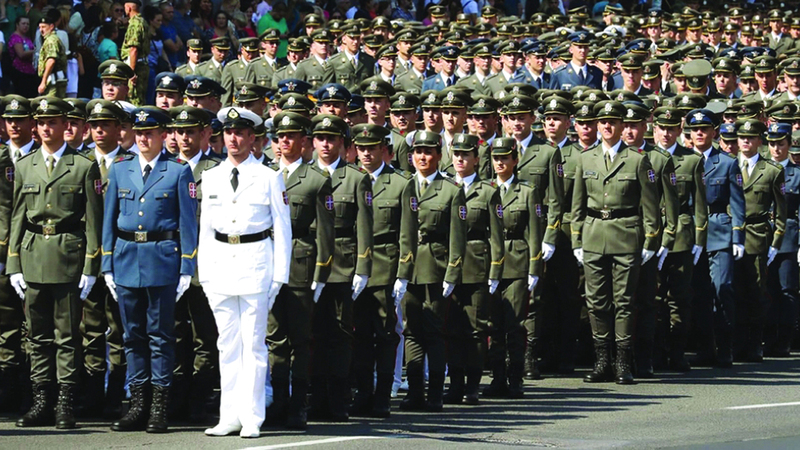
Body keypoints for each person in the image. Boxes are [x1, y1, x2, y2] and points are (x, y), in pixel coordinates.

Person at [8, 97, 103, 429]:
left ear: (67, 125)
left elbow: (93, 220)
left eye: (55, 122)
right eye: (43, 122)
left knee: (66, 334)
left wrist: (92, 266)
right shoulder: (24, 166)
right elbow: (18, 216)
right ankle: (42, 399)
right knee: (37, 335)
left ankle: (65, 402)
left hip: (68, 255)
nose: (48, 128)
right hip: (33, 254)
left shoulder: (83, 165)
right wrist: (14, 263)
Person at [103, 106, 198, 433]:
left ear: (163, 135)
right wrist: (106, 263)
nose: (143, 138)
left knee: (160, 335)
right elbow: (109, 220)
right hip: (127, 257)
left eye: (149, 133)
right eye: (139, 133)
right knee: (132, 335)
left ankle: (159, 405)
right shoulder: (120, 169)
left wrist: (187, 265)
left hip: (162, 259)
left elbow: (187, 222)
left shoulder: (178, 170)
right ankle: (138, 403)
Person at [199, 106, 291, 438]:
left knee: (253, 344)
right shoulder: (211, 176)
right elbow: (206, 231)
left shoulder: (268, 177)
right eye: (228, 132)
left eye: (240, 133)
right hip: (221, 265)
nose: (234, 139)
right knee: (227, 344)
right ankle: (230, 415)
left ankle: (252, 416)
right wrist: (205, 275)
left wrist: (279, 275)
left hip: (256, 264)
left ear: (253, 138)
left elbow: (282, 229)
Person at [571, 100, 660, 385]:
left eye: (613, 122)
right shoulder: (585, 159)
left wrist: (650, 240)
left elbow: (650, 205)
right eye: (602, 122)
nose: (607, 126)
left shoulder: (637, 159)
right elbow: (577, 204)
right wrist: (576, 239)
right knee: (597, 302)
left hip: (626, 235)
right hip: (594, 233)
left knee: (623, 301)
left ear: (622, 126)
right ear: (597, 126)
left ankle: (623, 361)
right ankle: (602, 361)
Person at [265, 111, 334, 430]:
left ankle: (298, 404)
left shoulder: (316, 179)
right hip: (268, 265)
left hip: (300, 267)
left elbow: (325, 232)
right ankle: (278, 400)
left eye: (291, 136)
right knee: (275, 338)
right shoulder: (265, 175)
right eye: (280, 136)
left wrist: (320, 274)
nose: (285, 142)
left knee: (300, 339)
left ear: (305, 141)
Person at [308, 114, 373, 422]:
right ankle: (315, 396)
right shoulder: (304, 175)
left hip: (342, 264)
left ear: (344, 144)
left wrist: (363, 267)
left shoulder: (356, 178)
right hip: (308, 265)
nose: (325, 144)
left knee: (340, 334)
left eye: (332, 139)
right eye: (320, 138)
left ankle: (338, 398)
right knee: (312, 334)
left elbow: (363, 225)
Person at [400, 130, 466, 412]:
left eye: (428, 152)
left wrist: (452, 273)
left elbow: (457, 237)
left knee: (434, 332)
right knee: (411, 331)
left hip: (437, 268)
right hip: (408, 267)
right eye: (418, 152)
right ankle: (415, 392)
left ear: (440, 156)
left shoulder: (450, 190)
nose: (422, 157)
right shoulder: (404, 186)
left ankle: (436, 393)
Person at [78, 99, 132, 420]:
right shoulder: (81, 161)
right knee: (91, 328)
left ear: (118, 128)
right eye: (95, 126)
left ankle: (115, 394)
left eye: (106, 125)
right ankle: (93, 393)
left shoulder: (129, 163)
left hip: (121, 258)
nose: (100, 131)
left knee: (120, 329)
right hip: (87, 259)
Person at [166, 105, 220, 422]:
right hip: (170, 263)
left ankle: (200, 397)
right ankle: (175, 396)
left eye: (191, 132)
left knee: (204, 335)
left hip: (205, 265)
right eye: (180, 132)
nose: (184, 138)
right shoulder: (166, 168)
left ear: (204, 134)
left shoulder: (216, 171)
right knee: (173, 332)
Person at [445, 133, 504, 405]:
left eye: (465, 154)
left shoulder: (488, 191)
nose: (460, 159)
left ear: (476, 159)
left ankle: (472, 384)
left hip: (476, 265)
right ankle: (454, 383)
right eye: (456, 154)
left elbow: (496, 236)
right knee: (451, 328)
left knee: (476, 329)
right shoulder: (442, 188)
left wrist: (494, 271)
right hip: (446, 267)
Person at [483, 137, 542, 399]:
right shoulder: (485, 189)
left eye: (505, 158)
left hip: (517, 261)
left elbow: (534, 233)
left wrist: (534, 267)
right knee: (494, 324)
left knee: (515, 325)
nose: (500, 163)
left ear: (515, 160)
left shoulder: (527, 191)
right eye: (496, 158)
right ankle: (497, 377)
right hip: (490, 263)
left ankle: (515, 377)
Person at [121, 0, 150, 106]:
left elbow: (134, 49)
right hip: (142, 64)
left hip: (135, 66)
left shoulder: (134, 23)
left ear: (128, 8)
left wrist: (131, 73)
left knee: (133, 99)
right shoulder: (142, 21)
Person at [38, 10, 68, 97]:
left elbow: (51, 60)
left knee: (51, 106)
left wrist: (43, 81)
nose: (41, 30)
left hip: (54, 80)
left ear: (51, 27)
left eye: (43, 27)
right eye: (40, 27)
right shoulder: (49, 39)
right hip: (54, 78)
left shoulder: (51, 40)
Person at [8, 16, 37, 99]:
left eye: (28, 24)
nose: (26, 26)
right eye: (23, 23)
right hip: (20, 72)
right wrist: (36, 51)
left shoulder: (27, 38)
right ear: (17, 25)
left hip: (30, 72)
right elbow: (21, 54)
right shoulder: (15, 38)